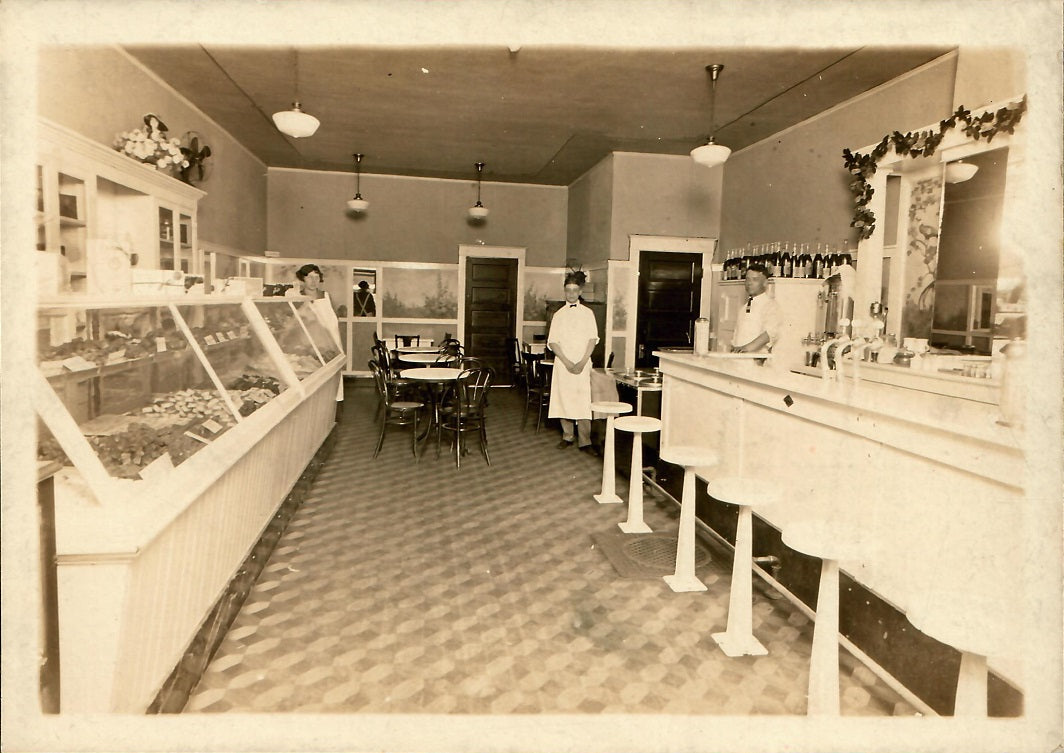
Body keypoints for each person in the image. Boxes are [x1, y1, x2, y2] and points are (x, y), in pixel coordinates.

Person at [547, 272, 600, 455]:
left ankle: (585, 441)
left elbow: (592, 340)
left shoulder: (588, 313)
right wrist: (567, 362)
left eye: (574, 290)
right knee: (564, 398)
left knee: (583, 401)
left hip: (583, 363)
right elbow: (553, 342)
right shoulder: (558, 315)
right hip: (563, 363)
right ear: (564, 291)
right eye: (568, 290)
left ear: (580, 292)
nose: (571, 294)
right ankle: (567, 436)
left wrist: (582, 362)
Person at [286, 264, 345, 403]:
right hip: (307, 347)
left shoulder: (327, 296)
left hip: (330, 346)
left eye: (316, 277)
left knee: (331, 380)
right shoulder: (296, 297)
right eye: (309, 277)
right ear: (303, 279)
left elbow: (335, 319)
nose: (313, 280)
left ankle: (333, 407)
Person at [731, 263, 783, 356]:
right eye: (747, 279)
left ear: (765, 283)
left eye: (755, 279)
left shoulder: (771, 306)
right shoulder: (743, 308)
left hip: (755, 361)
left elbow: (769, 334)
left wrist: (744, 349)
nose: (749, 283)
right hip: (737, 361)